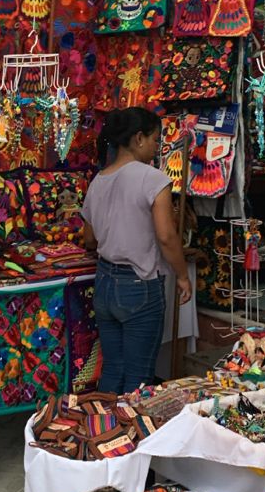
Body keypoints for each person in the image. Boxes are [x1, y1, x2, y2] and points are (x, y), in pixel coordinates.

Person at [82, 107, 192, 394]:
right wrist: (182, 276)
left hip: (104, 282)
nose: (157, 148)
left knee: (113, 369)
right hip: (139, 285)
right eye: (156, 140)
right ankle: (136, 437)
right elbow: (167, 236)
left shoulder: (99, 180)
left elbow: (89, 239)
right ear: (139, 138)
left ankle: (103, 430)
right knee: (139, 377)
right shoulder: (152, 178)